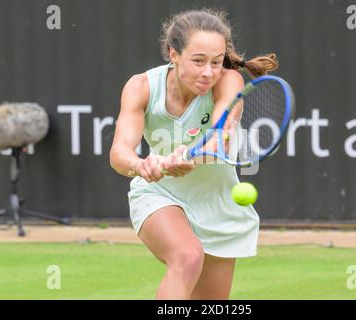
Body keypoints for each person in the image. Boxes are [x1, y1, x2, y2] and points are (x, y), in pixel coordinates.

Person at [109, 9, 278, 300]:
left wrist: (189, 157)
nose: (209, 73)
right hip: (160, 194)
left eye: (216, 62)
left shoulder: (229, 82)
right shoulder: (141, 87)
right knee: (187, 258)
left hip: (219, 205)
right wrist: (141, 164)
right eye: (198, 61)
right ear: (173, 54)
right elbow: (119, 152)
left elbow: (219, 140)